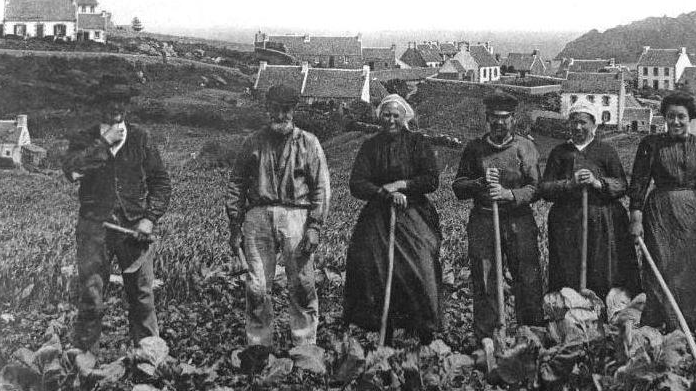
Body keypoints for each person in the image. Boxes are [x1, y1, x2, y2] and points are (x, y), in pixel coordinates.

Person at [62, 74, 172, 353]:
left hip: (133, 228)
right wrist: (103, 143)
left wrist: (149, 219)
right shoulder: (83, 138)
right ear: (100, 103)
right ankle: (84, 361)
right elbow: (71, 171)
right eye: (110, 101)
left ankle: (149, 358)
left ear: (127, 104)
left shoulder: (141, 138)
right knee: (91, 295)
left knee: (142, 296)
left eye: (121, 102)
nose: (116, 107)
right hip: (93, 228)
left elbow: (160, 181)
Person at [225, 85, 331, 348]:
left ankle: (305, 345)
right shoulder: (253, 142)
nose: (280, 115)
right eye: (275, 109)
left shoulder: (309, 143)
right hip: (258, 216)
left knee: (302, 284)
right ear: (268, 109)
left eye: (286, 110)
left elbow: (321, 187)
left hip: (297, 215)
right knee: (257, 287)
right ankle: (259, 346)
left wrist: (315, 226)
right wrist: (235, 225)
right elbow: (236, 183)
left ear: (293, 111)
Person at [628, 93, 696, 333]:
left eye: (681, 117)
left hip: (695, 214)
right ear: (664, 118)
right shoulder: (651, 145)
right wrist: (636, 217)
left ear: (691, 118)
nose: (675, 121)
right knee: (663, 264)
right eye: (670, 116)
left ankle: (695, 321)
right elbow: (639, 183)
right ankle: (664, 321)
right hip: (660, 213)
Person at [343, 94, 442, 343]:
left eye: (396, 116)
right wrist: (382, 192)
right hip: (378, 213)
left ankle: (424, 329)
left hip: (413, 211)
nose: (391, 120)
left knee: (422, 261)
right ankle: (381, 327)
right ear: (380, 117)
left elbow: (431, 179)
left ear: (404, 117)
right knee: (367, 261)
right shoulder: (370, 146)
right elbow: (357, 182)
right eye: (386, 115)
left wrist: (403, 185)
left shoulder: (418, 143)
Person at [452, 91, 544, 344]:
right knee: (485, 277)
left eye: (505, 118)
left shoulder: (525, 147)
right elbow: (458, 186)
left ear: (513, 119)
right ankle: (489, 337)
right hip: (483, 220)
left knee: (527, 276)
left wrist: (509, 194)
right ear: (487, 118)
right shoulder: (475, 149)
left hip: (518, 220)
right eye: (494, 117)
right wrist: (479, 183)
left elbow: (536, 187)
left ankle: (531, 335)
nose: (499, 122)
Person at [540, 102, 640, 299]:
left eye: (583, 122)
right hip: (567, 221)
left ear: (594, 125)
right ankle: (571, 307)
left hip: (602, 220)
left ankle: (604, 308)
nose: (578, 127)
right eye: (573, 122)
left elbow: (621, 184)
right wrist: (570, 184)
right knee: (569, 266)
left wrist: (597, 183)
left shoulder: (605, 151)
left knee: (603, 266)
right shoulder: (560, 152)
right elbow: (545, 188)